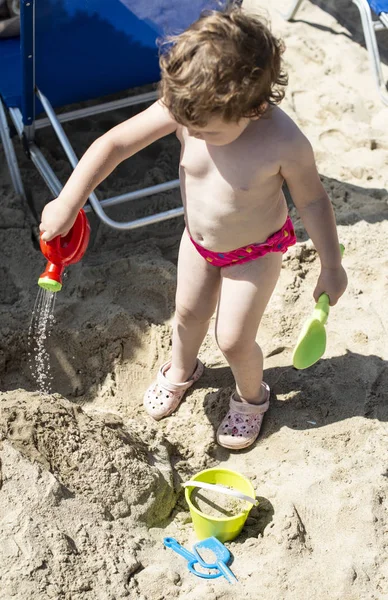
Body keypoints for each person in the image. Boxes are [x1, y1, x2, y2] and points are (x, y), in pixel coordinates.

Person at [39, 6, 347, 450]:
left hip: (254, 251)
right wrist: (69, 200)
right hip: (198, 241)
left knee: (233, 338)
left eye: (205, 130)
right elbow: (114, 142)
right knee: (186, 314)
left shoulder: (282, 141)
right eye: (187, 124)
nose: (191, 132)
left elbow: (314, 200)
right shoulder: (191, 107)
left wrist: (331, 264)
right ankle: (183, 371)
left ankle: (251, 397)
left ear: (253, 106)